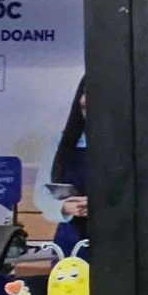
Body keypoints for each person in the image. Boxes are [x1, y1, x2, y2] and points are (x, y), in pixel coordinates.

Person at [44, 78, 90, 253]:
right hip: (71, 241)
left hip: (118, 238)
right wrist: (64, 207)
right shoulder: (61, 143)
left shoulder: (130, 144)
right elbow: (42, 195)